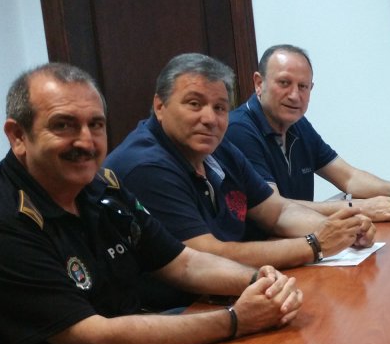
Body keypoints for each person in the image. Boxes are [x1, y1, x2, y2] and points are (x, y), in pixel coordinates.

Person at [0, 63, 303, 344]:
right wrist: (236, 319)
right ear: (18, 136)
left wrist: (259, 282)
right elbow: (96, 342)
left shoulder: (100, 189)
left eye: (96, 125)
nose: (85, 141)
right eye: (64, 125)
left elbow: (183, 263)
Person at [108, 53, 375, 307]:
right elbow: (207, 256)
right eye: (194, 104)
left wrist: (342, 231)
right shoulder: (145, 165)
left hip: (223, 296)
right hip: (170, 312)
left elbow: (278, 211)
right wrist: (315, 244)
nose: (210, 118)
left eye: (220, 107)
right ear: (160, 106)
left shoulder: (219, 147)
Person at [226, 44, 390, 224]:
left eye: (303, 86)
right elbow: (276, 207)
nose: (295, 95)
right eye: (284, 83)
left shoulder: (298, 124)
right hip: (264, 255)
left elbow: (349, 177)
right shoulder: (239, 129)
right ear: (259, 83)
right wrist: (357, 208)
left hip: (302, 240)